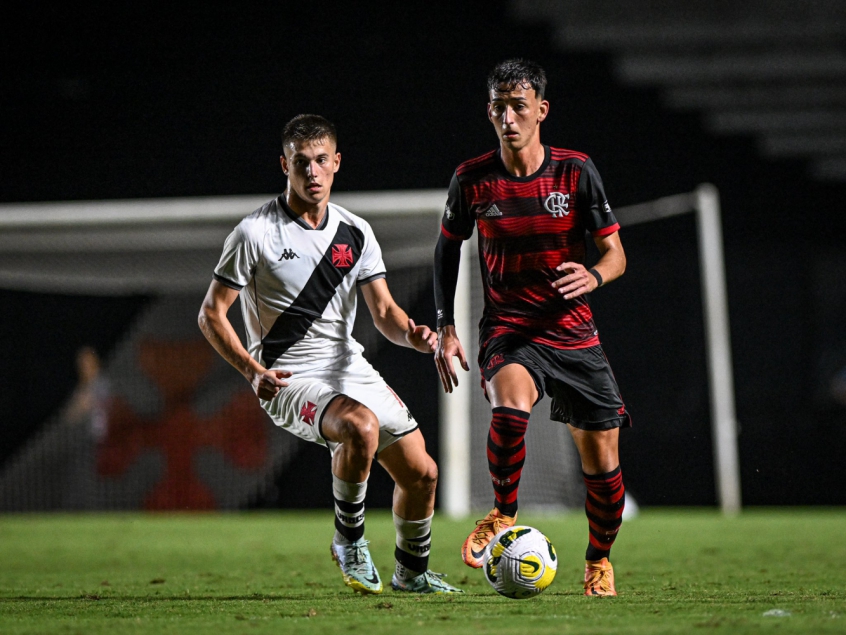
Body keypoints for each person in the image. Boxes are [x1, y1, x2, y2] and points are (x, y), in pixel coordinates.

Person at [199, 114, 462, 595]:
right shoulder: (254, 233)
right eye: (302, 162)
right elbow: (211, 314)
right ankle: (348, 541)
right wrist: (250, 370)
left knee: (423, 473)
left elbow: (384, 312)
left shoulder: (355, 232)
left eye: (322, 160)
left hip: (349, 368)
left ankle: (412, 572)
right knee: (359, 427)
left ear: (337, 162)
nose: (313, 172)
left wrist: (417, 335)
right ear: (285, 165)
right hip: (286, 377)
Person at [434, 59, 630, 597]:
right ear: (489, 111)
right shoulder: (471, 179)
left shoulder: (576, 171)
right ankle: (501, 512)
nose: (508, 116)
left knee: (604, 462)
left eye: (519, 105)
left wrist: (592, 275)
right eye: (498, 106)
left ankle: (598, 562)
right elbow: (446, 251)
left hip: (572, 333)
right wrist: (446, 326)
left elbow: (615, 256)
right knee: (510, 403)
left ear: (541, 110)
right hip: (508, 328)